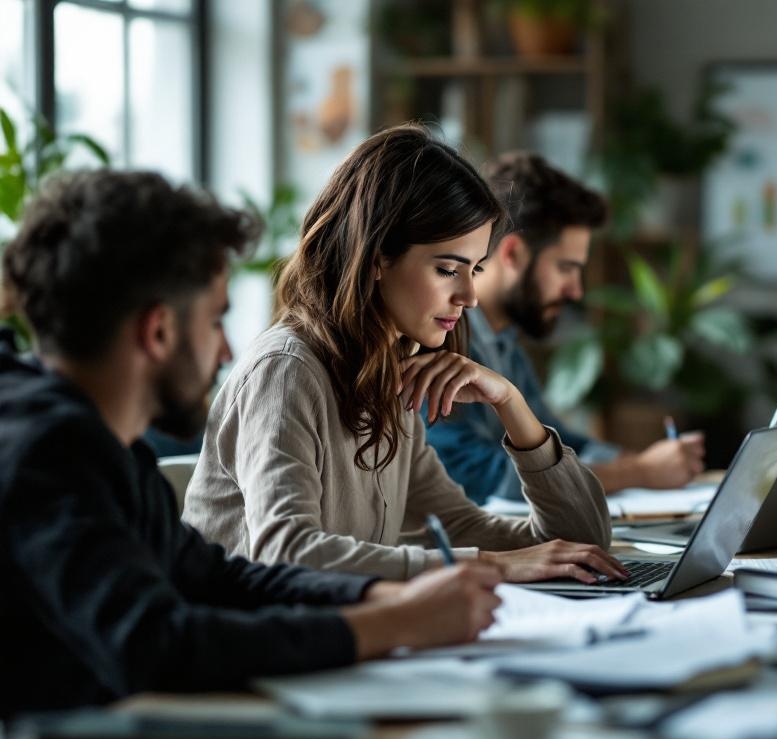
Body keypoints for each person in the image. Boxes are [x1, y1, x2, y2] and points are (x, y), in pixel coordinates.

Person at [0, 170, 503, 719]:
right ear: (159, 331)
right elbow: (159, 645)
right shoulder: (48, 455)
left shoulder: (105, 448)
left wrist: (381, 597)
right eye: (216, 321)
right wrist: (398, 622)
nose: (226, 352)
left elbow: (218, 577)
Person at [182, 126, 625, 585]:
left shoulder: (390, 378)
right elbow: (286, 551)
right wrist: (490, 565)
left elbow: (577, 540)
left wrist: (512, 405)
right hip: (262, 647)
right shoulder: (285, 372)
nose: (470, 296)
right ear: (376, 258)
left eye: (475, 269)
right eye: (447, 269)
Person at [425, 152, 706, 504]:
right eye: (566, 268)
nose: (577, 290)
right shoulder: (437, 340)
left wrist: (642, 462)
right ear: (513, 254)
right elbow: (476, 477)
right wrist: (640, 472)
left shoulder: (502, 341)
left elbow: (553, 439)